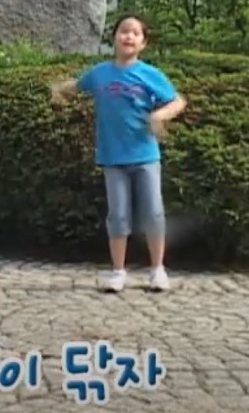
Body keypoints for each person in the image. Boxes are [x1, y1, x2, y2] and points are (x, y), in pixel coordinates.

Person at [50, 15, 186, 293]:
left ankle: (157, 270)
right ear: (114, 37)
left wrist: (159, 116)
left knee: (153, 213)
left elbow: (178, 101)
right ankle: (117, 272)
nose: (128, 37)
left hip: (145, 155)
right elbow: (76, 86)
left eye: (135, 33)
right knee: (118, 216)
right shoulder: (100, 73)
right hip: (113, 157)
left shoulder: (149, 74)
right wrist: (57, 90)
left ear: (143, 43)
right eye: (124, 31)